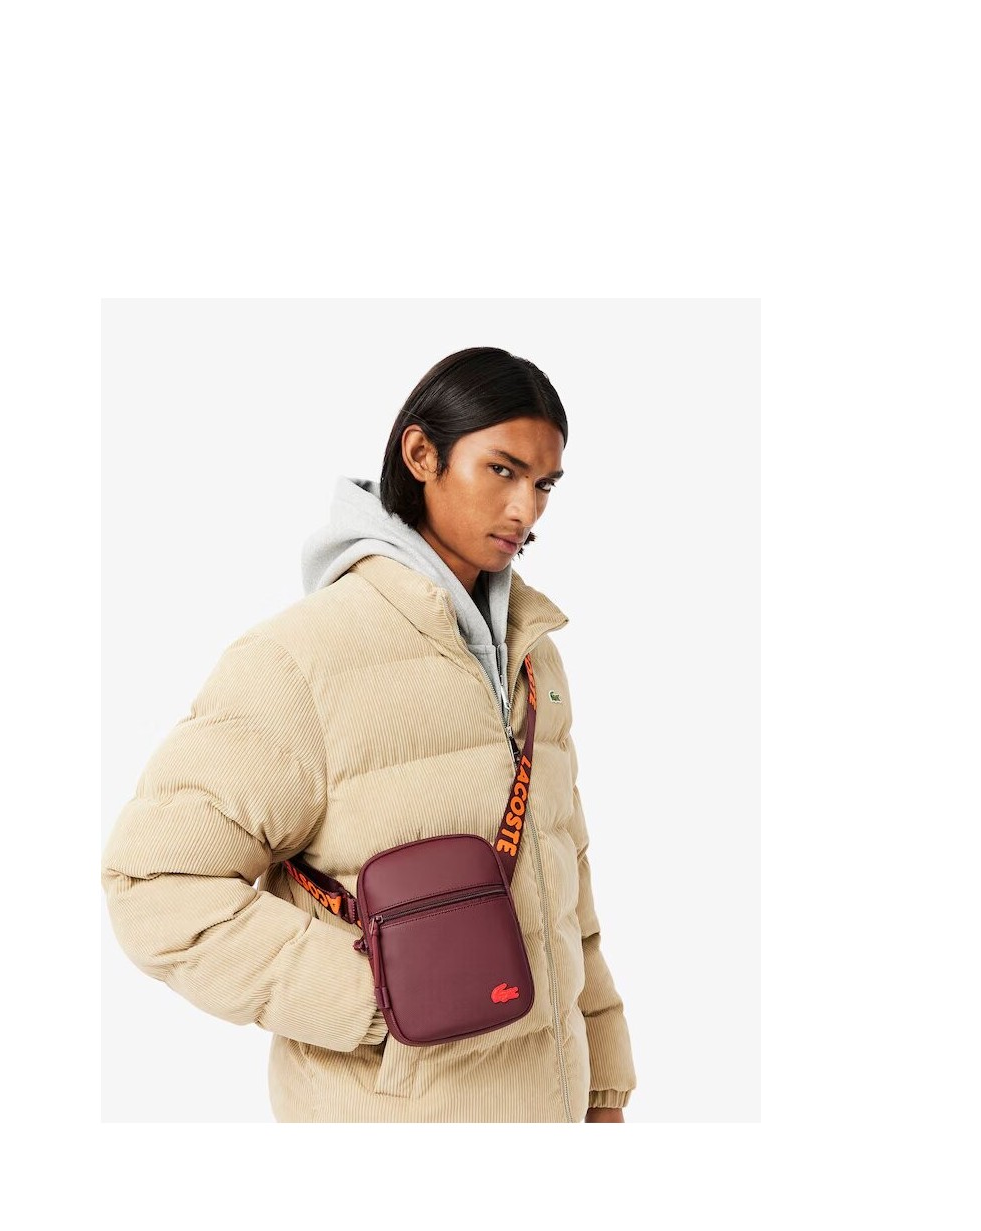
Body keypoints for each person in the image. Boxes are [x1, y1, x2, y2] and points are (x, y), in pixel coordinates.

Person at [101, 346, 637, 1122]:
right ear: (421, 455)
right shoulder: (302, 659)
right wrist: (380, 1001)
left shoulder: (533, 654)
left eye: (545, 484)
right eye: (503, 471)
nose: (526, 509)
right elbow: (151, 882)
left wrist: (603, 1085)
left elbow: (567, 884)